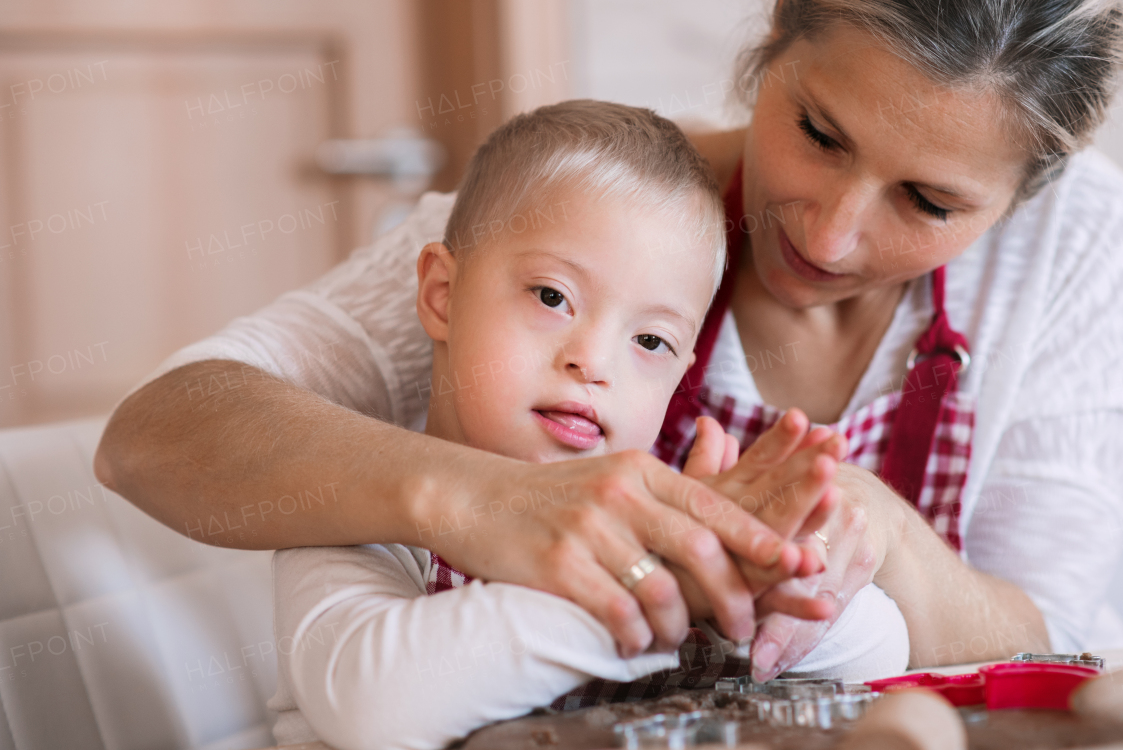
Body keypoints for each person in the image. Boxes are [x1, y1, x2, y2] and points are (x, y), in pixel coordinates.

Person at [96, 0, 1123, 681]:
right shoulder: (594, 210)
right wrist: (478, 499)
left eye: (926, 203)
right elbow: (154, 435)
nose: (830, 233)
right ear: (786, 5)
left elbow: (1047, 640)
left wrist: (872, 531)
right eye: (817, 133)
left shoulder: (1073, 238)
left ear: (1027, 193)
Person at [270, 101, 910, 750]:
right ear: (442, 293)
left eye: (652, 340)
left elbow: (880, 652)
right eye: (552, 297)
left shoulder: (669, 524)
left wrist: (760, 582)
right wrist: (659, 591)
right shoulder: (365, 512)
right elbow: (377, 705)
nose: (594, 362)